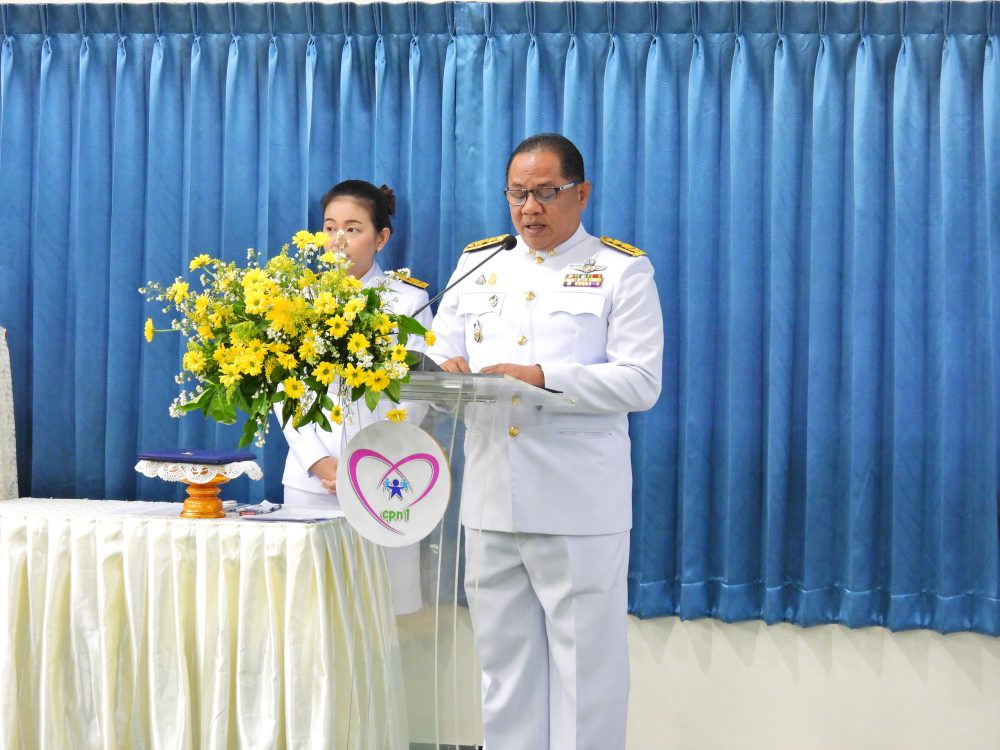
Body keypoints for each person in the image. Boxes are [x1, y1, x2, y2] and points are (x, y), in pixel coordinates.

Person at [427, 134, 663, 748]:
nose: (529, 208)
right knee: (502, 671)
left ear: (581, 194)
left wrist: (539, 377)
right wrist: (444, 370)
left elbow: (641, 382)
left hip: (576, 503)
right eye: (517, 194)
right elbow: (438, 353)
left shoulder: (621, 270)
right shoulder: (479, 264)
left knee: (586, 672)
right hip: (490, 498)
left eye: (546, 193)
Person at [280, 180, 432, 615]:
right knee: (313, 608)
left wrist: (374, 461)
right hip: (312, 478)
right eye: (330, 228)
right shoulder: (299, 297)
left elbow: (418, 392)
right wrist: (318, 461)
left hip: (384, 474)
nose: (338, 240)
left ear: (381, 238)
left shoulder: (408, 298)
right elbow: (283, 390)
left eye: (352, 229)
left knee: (381, 607)